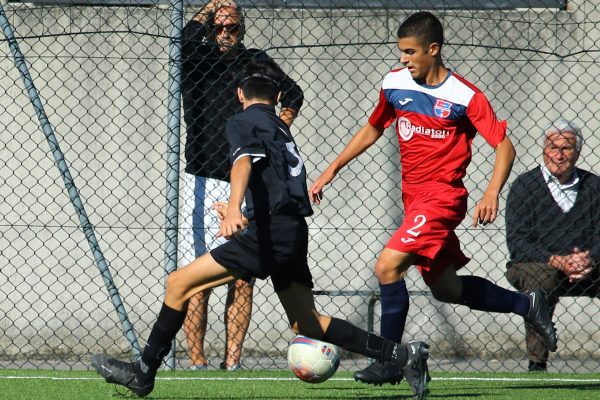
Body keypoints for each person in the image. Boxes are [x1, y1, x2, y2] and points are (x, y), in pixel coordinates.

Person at [92, 59, 430, 400]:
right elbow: (274, 180)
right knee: (306, 323)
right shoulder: (280, 128)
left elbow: (243, 161)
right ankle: (402, 355)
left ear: (240, 95)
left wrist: (236, 207)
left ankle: (144, 371)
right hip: (292, 230)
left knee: (178, 283)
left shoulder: (243, 121)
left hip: (268, 233)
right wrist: (245, 207)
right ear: (279, 96)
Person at [309, 11, 558, 386]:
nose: (403, 59)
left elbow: (504, 146)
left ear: (433, 49)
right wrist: (333, 168)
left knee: (387, 267)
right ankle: (528, 304)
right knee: (447, 288)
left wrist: (491, 192)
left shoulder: (465, 95)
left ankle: (391, 359)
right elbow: (375, 126)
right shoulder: (395, 84)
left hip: (442, 199)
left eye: (410, 52)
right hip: (415, 202)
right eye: (400, 52)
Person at [179, 0, 304, 371]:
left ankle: (232, 362)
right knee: (197, 275)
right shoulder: (195, 61)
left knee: (243, 277)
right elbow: (183, 40)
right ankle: (197, 361)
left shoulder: (253, 63)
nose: (224, 35)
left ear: (242, 29)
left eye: (231, 28)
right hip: (200, 177)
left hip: (243, 181)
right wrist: (210, 7)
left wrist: (276, 132)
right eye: (218, 28)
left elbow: (293, 93)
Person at [505, 118, 600, 372]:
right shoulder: (525, 186)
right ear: (544, 149)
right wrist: (557, 260)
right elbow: (518, 242)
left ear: (578, 152)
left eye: (566, 148)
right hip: (537, 264)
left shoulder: (594, 186)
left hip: (587, 265)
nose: (558, 155)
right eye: (552, 147)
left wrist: (589, 259)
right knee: (540, 280)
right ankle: (538, 362)